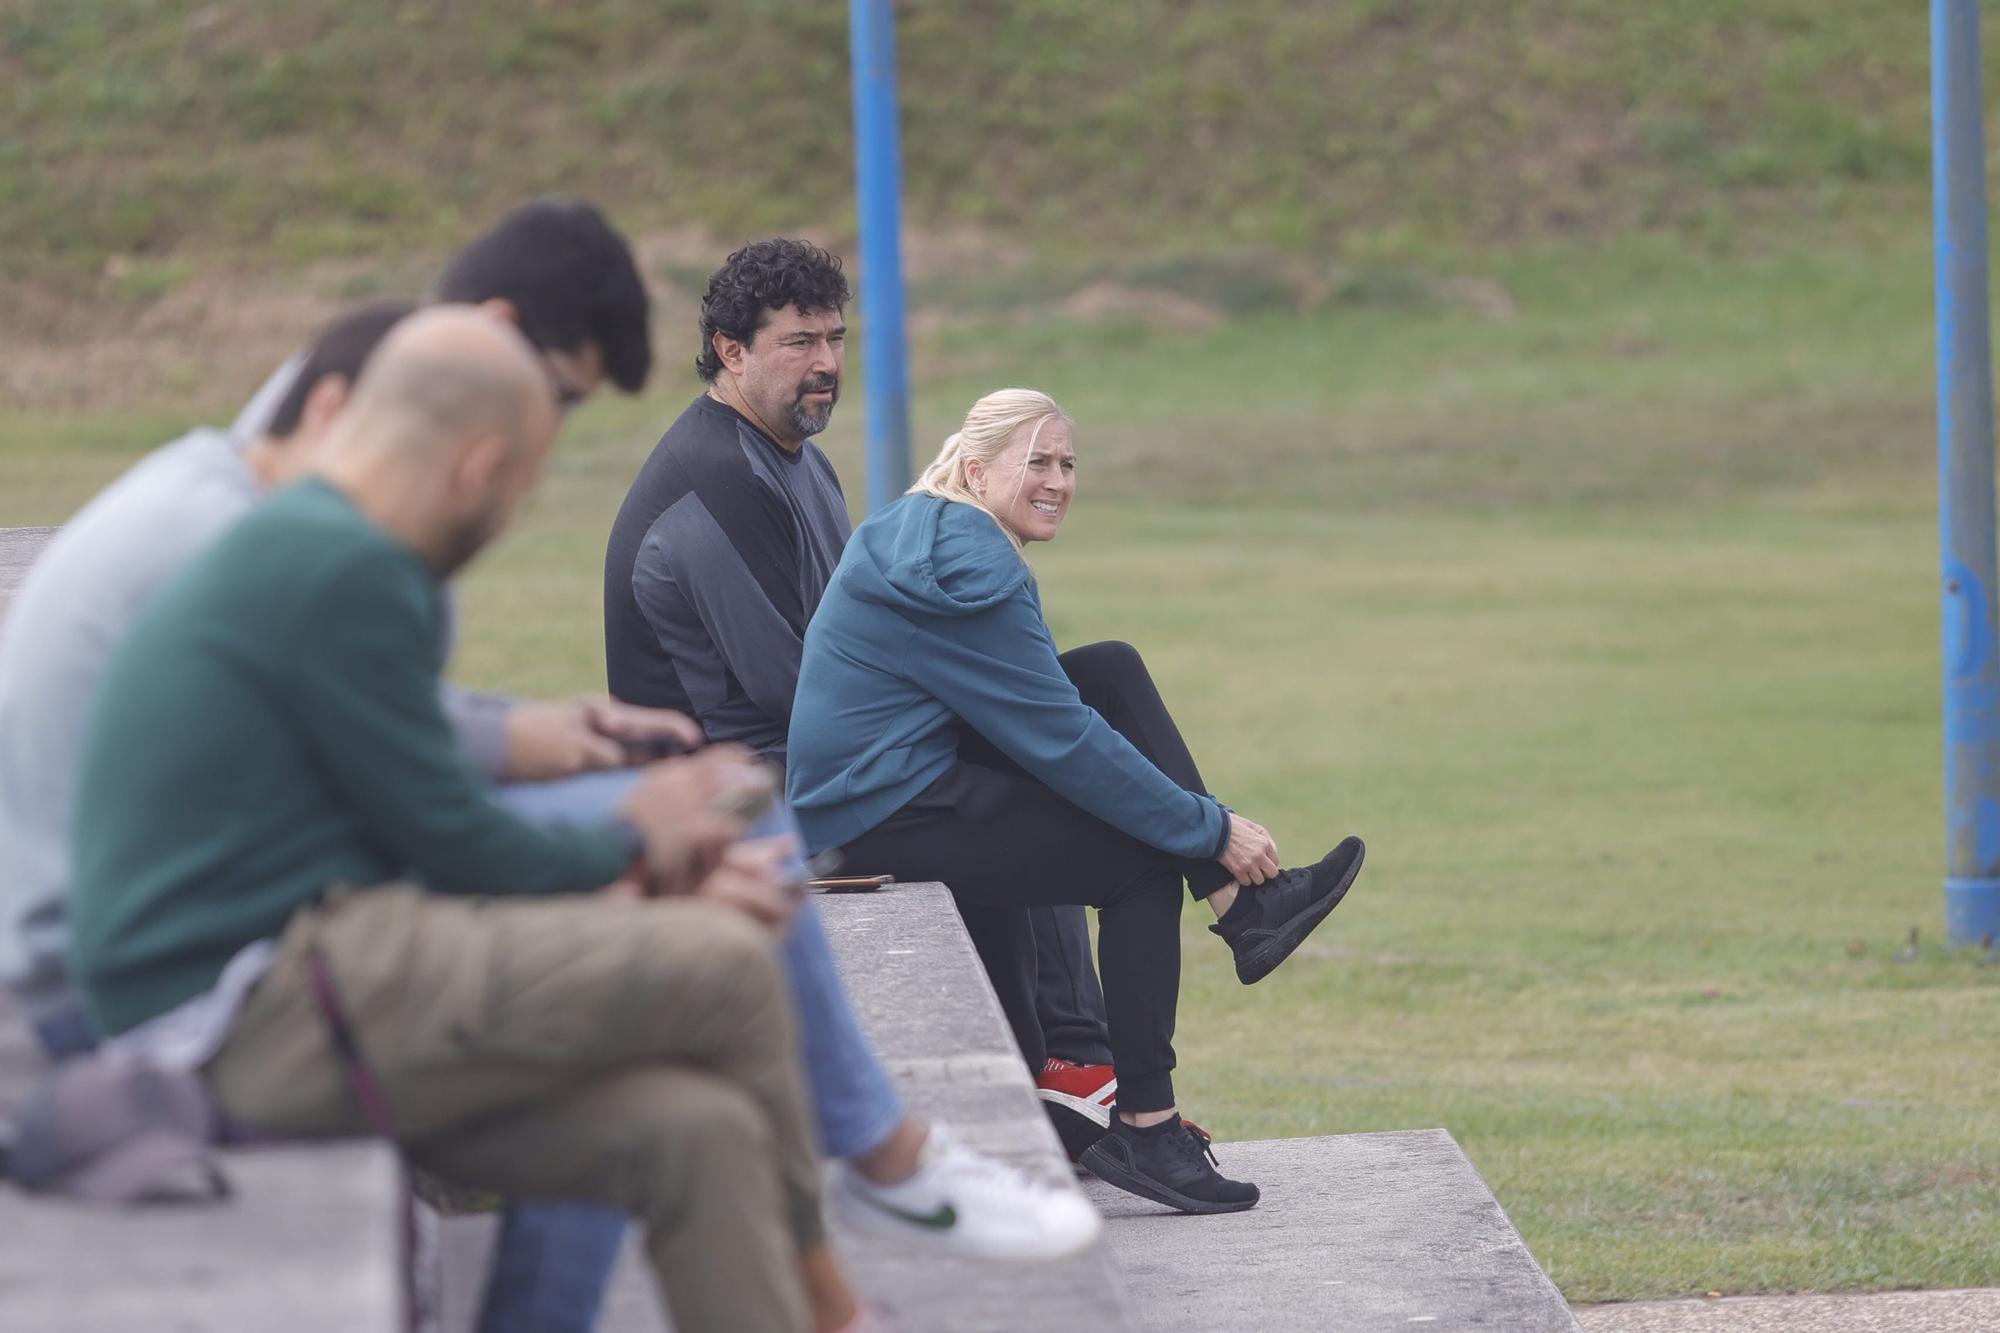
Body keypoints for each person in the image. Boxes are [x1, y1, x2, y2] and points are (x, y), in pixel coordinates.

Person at [0, 200, 700, 1333]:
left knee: (643, 994)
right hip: (135, 986)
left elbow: (363, 733)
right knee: (639, 1022)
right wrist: (610, 835)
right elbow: (411, 800)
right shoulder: (250, 539)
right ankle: (876, 1164)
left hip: (165, 933)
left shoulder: (229, 503)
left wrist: (529, 753)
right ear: (335, 409)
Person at [604, 238, 1126, 1157]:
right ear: (732, 351)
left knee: (1048, 715)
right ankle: (1065, 1078)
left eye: (836, 339)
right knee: (1013, 753)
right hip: (752, 797)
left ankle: (1075, 1074)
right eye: (800, 342)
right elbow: (796, 689)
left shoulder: (799, 461)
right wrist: (969, 702)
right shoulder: (715, 480)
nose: (827, 365)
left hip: (812, 755)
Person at [786, 388, 1367, 1215]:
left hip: (884, 777)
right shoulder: (976, 567)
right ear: (978, 467)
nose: (1058, 480)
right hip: (873, 811)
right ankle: (1147, 1124)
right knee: (1137, 865)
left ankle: (1247, 907)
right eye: (1038, 462)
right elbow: (1062, 741)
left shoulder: (923, 523)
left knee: (1112, 668)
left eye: (1067, 463)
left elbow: (1054, 711)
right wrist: (1211, 828)